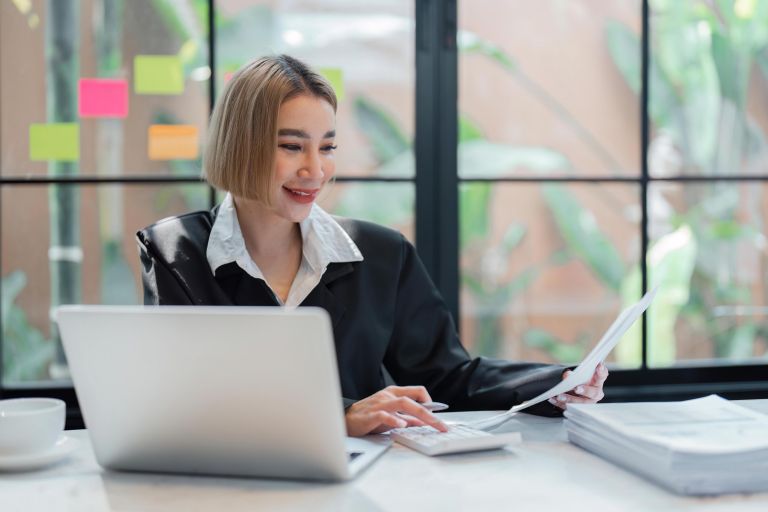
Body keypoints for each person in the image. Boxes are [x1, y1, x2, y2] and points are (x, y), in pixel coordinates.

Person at [137, 54, 608, 437]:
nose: (315, 170)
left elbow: (447, 378)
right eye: (291, 146)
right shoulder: (176, 253)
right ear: (240, 145)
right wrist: (338, 415)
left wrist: (553, 384)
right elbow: (194, 399)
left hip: (363, 487)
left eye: (327, 147)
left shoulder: (383, 255)